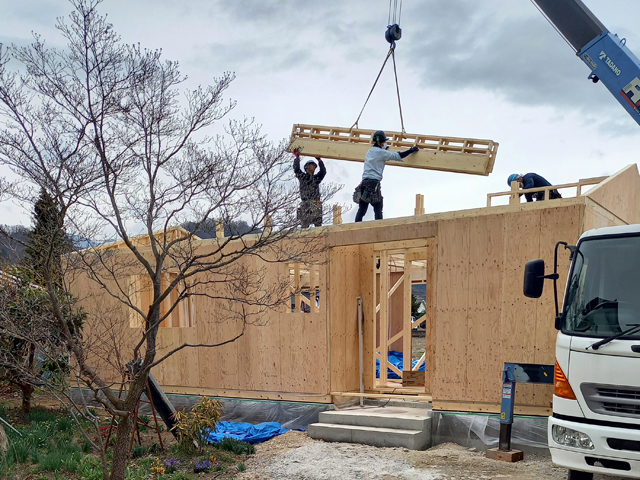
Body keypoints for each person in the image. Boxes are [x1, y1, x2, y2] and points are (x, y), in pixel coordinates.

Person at [354, 130, 419, 222]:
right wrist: (410, 151)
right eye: (383, 142)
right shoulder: (382, 153)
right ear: (379, 142)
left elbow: (378, 156)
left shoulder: (369, 152)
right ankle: (379, 228)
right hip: (373, 183)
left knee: (362, 209)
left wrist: (384, 150)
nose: (384, 143)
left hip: (364, 183)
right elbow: (398, 156)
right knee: (378, 206)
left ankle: (356, 226)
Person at [293, 149, 326, 228]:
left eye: (315, 166)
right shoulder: (303, 177)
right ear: (307, 167)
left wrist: (320, 160)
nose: (314, 167)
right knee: (304, 228)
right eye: (312, 165)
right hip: (306, 204)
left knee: (318, 228)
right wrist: (297, 158)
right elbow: (296, 169)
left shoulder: (316, 178)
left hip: (316, 204)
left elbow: (323, 172)